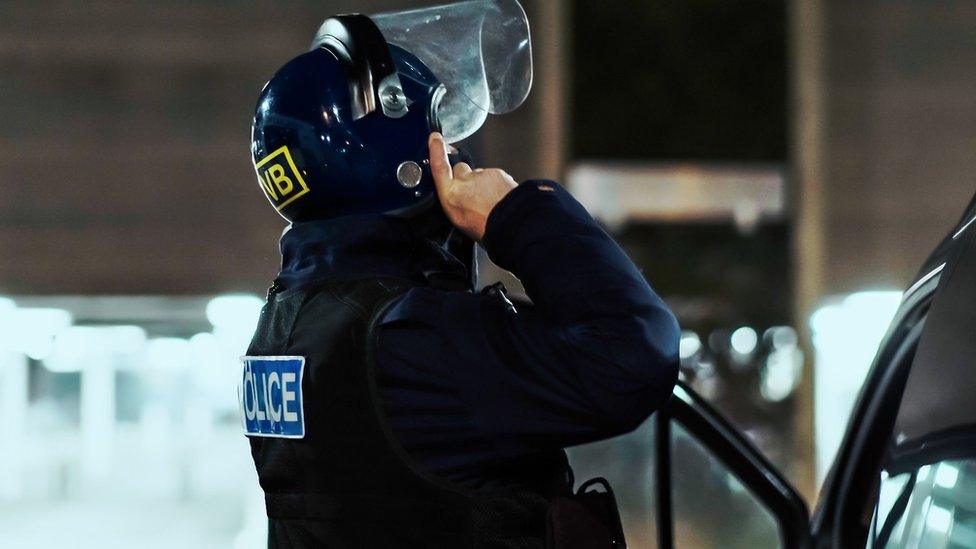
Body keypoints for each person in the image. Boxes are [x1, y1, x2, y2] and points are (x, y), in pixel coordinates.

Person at [241, 2, 679, 547]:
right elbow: (635, 353)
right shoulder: (409, 341)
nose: (455, 151)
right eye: (440, 130)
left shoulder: (287, 326)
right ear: (396, 157)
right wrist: (519, 214)